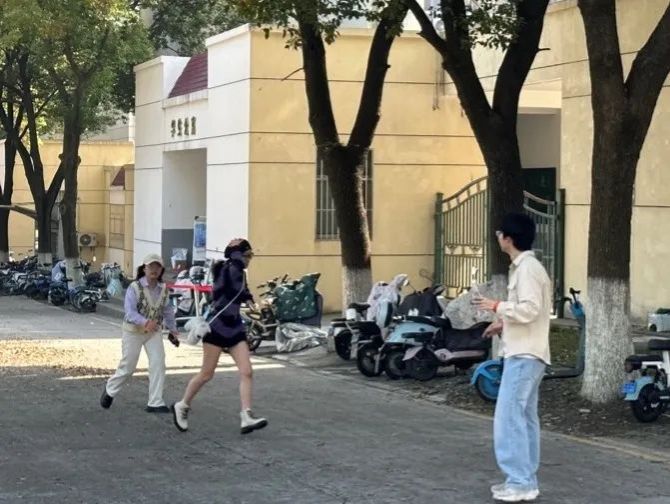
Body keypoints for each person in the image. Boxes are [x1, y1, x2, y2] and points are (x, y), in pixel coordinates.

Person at [474, 213, 551, 503]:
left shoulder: (527, 269)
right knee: (524, 418)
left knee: (509, 419)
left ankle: (520, 481)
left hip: (524, 354)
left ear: (509, 238)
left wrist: (497, 306)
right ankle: (524, 480)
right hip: (528, 351)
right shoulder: (526, 267)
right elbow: (530, 311)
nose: (498, 238)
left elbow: (530, 309)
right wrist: (502, 323)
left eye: (500, 234)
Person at [172, 238, 268, 434]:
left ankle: (246, 415)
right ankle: (182, 405)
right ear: (237, 255)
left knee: (247, 371)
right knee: (206, 374)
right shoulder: (225, 270)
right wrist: (241, 290)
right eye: (247, 256)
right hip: (217, 327)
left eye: (250, 256)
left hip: (235, 328)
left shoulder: (240, 272)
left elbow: (242, 290)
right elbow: (221, 293)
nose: (249, 259)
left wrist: (249, 299)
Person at [100, 253, 180, 413]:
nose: (154, 270)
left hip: (153, 332)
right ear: (144, 268)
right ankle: (110, 389)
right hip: (133, 332)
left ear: (161, 270)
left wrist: (173, 330)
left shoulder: (164, 289)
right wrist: (145, 322)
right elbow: (129, 312)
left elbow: (167, 310)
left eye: (157, 266)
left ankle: (155, 402)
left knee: (158, 363)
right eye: (151, 266)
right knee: (128, 366)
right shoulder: (134, 287)